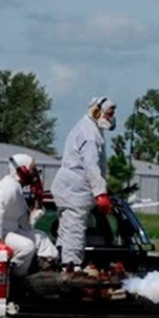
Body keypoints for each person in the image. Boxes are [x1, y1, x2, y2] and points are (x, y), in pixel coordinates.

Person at [0, 154, 60, 276]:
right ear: (22, 170)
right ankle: (18, 279)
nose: (36, 174)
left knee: (42, 240)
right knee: (27, 247)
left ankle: (50, 272)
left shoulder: (18, 192)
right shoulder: (9, 187)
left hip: (7, 231)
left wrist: (37, 204)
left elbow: (26, 226)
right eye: (33, 169)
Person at [50, 96, 117, 266]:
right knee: (74, 232)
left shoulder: (89, 128)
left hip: (71, 189)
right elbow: (91, 165)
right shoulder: (90, 135)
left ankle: (59, 264)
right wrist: (101, 193)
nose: (112, 118)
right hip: (75, 191)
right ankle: (71, 268)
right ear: (97, 112)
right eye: (109, 114)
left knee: (66, 232)